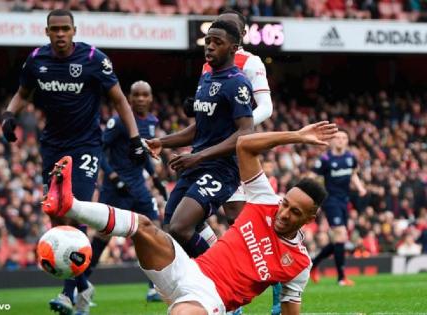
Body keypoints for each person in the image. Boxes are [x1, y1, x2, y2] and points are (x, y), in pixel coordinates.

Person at [42, 120, 337, 315]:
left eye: (294, 212)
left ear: (310, 218)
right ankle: (70, 204)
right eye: (285, 204)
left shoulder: (299, 264)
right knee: (144, 228)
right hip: (188, 269)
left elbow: (289, 311)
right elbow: (244, 145)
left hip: (213, 299)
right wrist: (297, 136)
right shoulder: (264, 201)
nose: (283, 213)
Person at [1, 9, 146, 315]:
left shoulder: (93, 59)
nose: (61, 34)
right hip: (52, 146)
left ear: (74, 30)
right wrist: (8, 115)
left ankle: (67, 294)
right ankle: (82, 285)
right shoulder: (37, 61)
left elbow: (119, 98)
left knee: (72, 205)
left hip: (85, 147)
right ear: (47, 32)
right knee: (55, 215)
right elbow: (22, 93)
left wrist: (135, 139)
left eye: (66, 29)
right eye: (55, 29)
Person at [145, 20, 254, 260]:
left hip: (222, 169)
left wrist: (199, 156)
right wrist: (162, 142)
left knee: (180, 227)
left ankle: (218, 274)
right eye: (208, 41)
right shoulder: (206, 80)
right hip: (197, 165)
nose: (210, 47)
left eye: (218, 42)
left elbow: (246, 131)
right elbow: (198, 129)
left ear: (233, 48)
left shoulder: (237, 83)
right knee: (172, 227)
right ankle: (211, 266)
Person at [196, 10, 279, 314]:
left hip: (236, 151)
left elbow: (266, 107)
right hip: (211, 150)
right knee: (187, 219)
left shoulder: (252, 62)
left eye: (231, 27)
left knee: (243, 224)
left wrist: (236, 129)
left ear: (240, 35)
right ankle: (223, 284)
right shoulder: (208, 63)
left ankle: (277, 296)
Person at [88, 80, 166, 302]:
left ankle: (154, 287)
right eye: (136, 95)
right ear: (129, 99)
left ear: (151, 98)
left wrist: (155, 178)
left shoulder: (152, 122)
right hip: (116, 189)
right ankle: (79, 283)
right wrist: (112, 176)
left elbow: (143, 156)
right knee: (103, 235)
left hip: (139, 188)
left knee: (152, 234)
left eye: (145, 95)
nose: (141, 99)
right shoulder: (118, 121)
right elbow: (100, 151)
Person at [310, 129, 366, 286]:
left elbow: (353, 174)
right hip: (330, 201)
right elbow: (312, 176)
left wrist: (360, 187)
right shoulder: (326, 159)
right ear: (332, 141)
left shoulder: (350, 158)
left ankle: (313, 264)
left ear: (347, 141)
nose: (341, 140)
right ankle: (341, 278)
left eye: (344, 137)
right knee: (341, 235)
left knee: (338, 240)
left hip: (344, 201)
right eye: (338, 137)